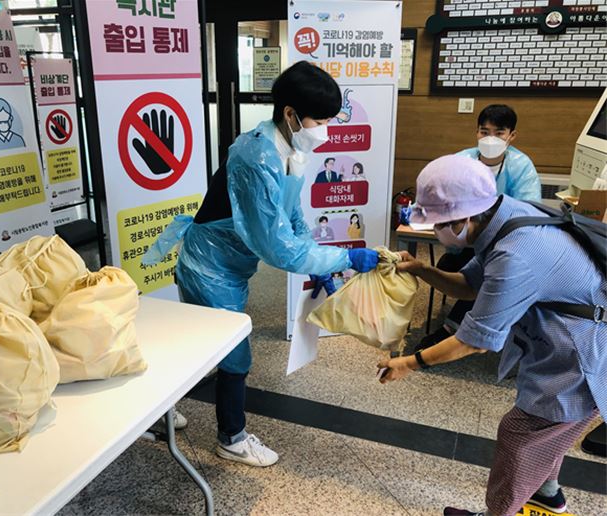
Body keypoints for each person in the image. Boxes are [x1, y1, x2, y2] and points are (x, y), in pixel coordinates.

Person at [143, 61, 379, 467]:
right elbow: (276, 247)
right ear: (290, 114)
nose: (324, 129)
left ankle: (152, 413)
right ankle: (230, 438)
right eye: (318, 120)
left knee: (198, 345)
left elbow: (292, 218)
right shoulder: (257, 156)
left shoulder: (290, 150)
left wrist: (319, 264)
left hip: (231, 263)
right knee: (234, 354)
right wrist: (345, 256)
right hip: (209, 266)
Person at [378, 155, 606, 516]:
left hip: (584, 356)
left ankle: (498, 513)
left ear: (465, 217)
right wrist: (422, 270)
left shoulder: (518, 253)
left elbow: (474, 341)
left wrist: (408, 362)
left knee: (522, 432)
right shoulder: (504, 216)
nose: (435, 232)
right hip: (564, 342)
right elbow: (470, 286)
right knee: (547, 433)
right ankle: (547, 494)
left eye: (438, 224)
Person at [418, 104, 542, 352]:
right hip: (465, 242)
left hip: (502, 242)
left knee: (488, 275)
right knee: (455, 269)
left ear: (512, 136)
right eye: (484, 132)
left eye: (499, 133)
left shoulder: (521, 166)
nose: (490, 139)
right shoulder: (462, 160)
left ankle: (452, 329)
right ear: (476, 133)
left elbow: (529, 209)